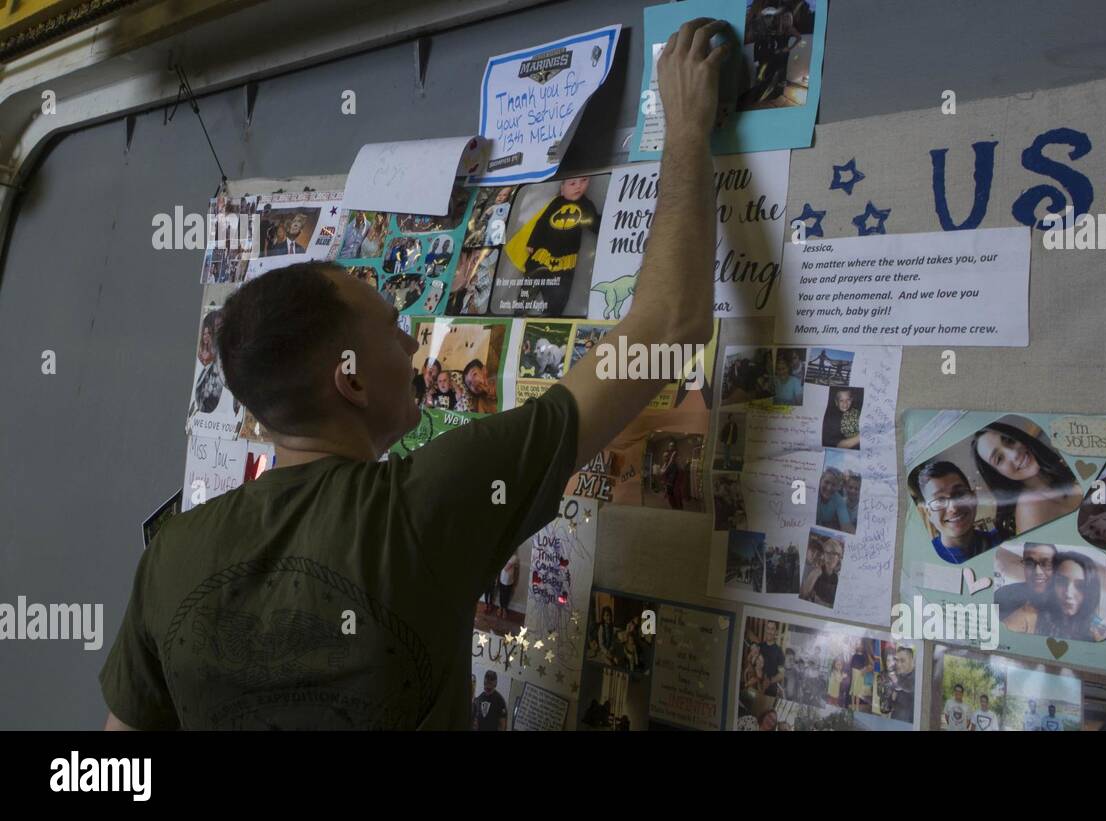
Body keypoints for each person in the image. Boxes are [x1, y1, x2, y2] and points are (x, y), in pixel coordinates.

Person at [99, 18, 729, 731]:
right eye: (393, 329)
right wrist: (684, 130)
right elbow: (668, 325)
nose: (414, 344)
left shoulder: (171, 556)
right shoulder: (426, 505)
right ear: (351, 380)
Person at [971, 421, 1082, 536]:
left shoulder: (1058, 475)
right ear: (997, 474)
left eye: (1010, 440)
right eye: (999, 458)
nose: (1013, 453)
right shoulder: (1029, 507)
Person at [512, 176, 602, 316]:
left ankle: (551, 317)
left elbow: (594, 224)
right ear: (562, 188)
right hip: (542, 256)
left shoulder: (586, 205)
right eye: (572, 183)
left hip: (565, 263)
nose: (578, 186)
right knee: (528, 289)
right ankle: (518, 314)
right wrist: (532, 242)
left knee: (558, 297)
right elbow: (542, 222)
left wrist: (606, 223)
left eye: (584, 181)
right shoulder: (556, 202)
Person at [909, 461, 1005, 564]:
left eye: (959, 494)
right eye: (940, 501)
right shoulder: (925, 560)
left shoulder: (1001, 540)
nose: (953, 508)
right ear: (929, 514)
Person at [1037, 551, 1106, 641]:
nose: (1068, 593)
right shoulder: (1034, 617)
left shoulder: (1099, 630)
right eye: (1061, 582)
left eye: (1080, 586)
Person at [996, 543, 1057, 634]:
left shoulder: (1070, 603)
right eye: (1029, 563)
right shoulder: (1003, 595)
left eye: (1046, 563)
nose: (1037, 572)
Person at [800, 535, 842, 606]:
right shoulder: (817, 571)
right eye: (827, 553)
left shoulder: (836, 577)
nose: (829, 557)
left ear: (839, 558)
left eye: (834, 553)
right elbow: (804, 595)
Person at [816, 469, 854, 533]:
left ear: (837, 487)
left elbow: (846, 526)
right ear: (820, 481)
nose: (829, 488)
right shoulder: (811, 492)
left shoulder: (839, 500)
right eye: (826, 482)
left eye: (833, 485)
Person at [756, 620, 786, 697]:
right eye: (768, 628)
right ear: (766, 629)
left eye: (772, 629)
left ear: (775, 632)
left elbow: (781, 674)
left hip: (770, 691)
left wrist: (769, 680)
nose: (769, 631)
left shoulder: (779, 651)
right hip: (756, 686)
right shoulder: (759, 646)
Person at [497, 553, 519, 618]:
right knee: (501, 594)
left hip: (509, 581)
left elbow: (506, 568)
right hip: (502, 579)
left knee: (507, 596)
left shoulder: (514, 557)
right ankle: (500, 607)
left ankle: (504, 609)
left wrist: (515, 581)